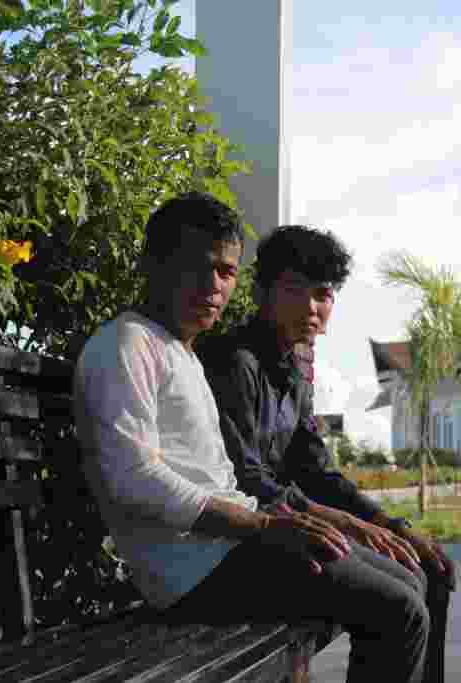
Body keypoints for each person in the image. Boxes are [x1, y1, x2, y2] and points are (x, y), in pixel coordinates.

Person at [73, 193, 430, 683]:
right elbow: (132, 478)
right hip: (195, 572)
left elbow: (230, 478)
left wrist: (284, 523)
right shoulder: (127, 343)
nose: (213, 285)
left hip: (231, 552)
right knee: (401, 610)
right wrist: (263, 529)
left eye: (225, 271)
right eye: (195, 266)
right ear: (153, 264)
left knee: (411, 580)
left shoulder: (182, 352)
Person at [196, 224, 456, 683]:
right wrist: (349, 524)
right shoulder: (235, 362)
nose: (313, 307)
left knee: (428, 569)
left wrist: (393, 526)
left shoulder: (294, 371)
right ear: (262, 292)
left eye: (325, 294)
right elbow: (245, 480)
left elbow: (318, 472)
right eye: (297, 289)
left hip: (296, 530)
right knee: (402, 605)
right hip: (250, 541)